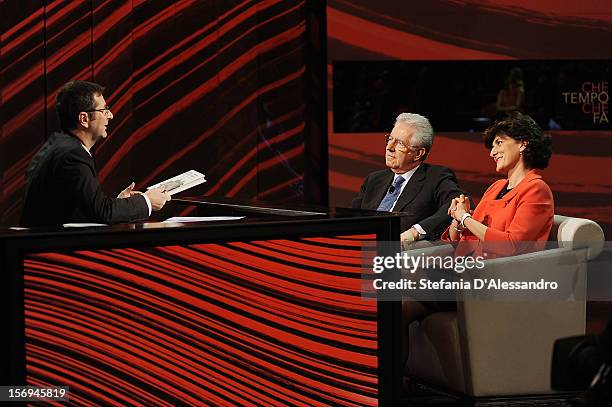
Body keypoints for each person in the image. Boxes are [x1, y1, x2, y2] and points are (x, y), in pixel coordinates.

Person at [20, 81, 170, 227]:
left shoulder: (60, 146)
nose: (110, 115)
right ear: (84, 119)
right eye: (104, 110)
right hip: (49, 249)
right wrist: (147, 201)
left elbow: (81, 211)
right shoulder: (72, 155)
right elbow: (103, 212)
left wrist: (120, 203)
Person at [444, 112, 554, 257]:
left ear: (522, 144)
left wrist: (465, 218)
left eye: (499, 143)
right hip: (466, 266)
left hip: (497, 273)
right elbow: (457, 240)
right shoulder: (497, 186)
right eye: (492, 146)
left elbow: (511, 245)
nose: (492, 153)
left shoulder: (536, 189)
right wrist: (457, 219)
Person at [352, 113, 465, 245]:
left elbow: (457, 204)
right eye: (390, 139)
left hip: (399, 255)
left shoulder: (435, 177)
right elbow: (352, 217)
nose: (389, 147)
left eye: (399, 143)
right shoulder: (374, 180)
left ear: (418, 153)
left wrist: (415, 232)